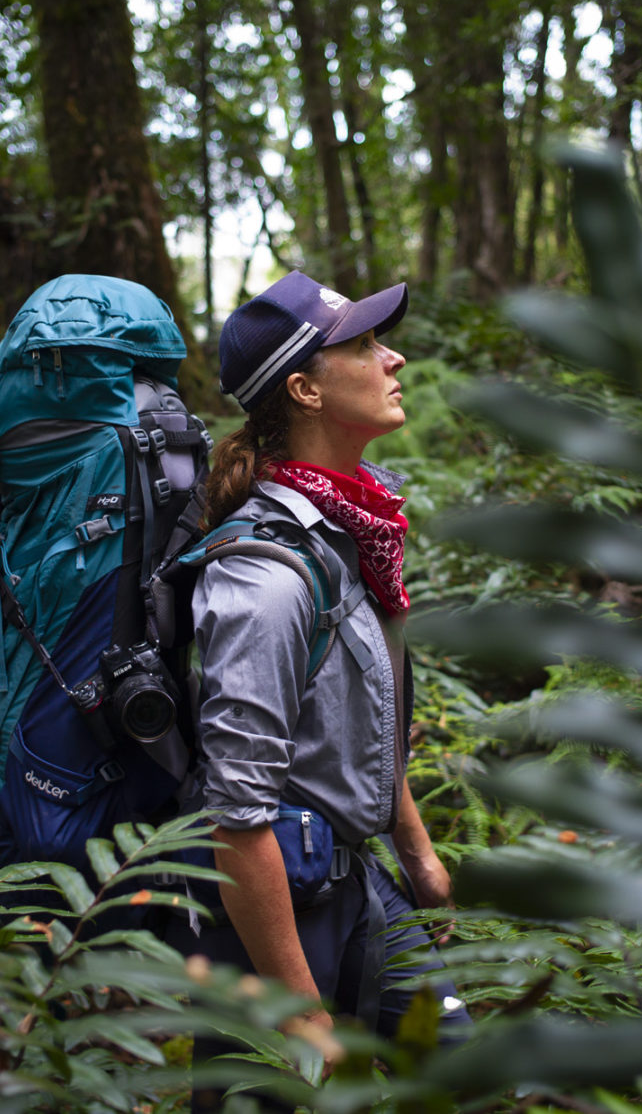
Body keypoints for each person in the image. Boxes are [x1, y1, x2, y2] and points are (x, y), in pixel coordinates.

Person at [167, 269, 471, 1081]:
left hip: (358, 883)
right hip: (268, 911)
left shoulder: (349, 529)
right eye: (366, 346)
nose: (394, 358)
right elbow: (236, 817)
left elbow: (362, 722)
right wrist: (300, 1016)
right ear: (304, 389)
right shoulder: (264, 581)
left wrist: (418, 855)